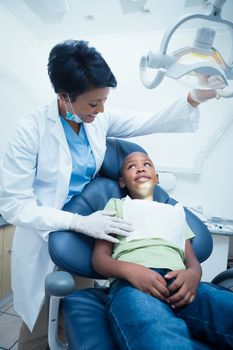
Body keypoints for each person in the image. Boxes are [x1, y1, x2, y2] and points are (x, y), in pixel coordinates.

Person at [0, 39, 221, 350]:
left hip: (91, 228)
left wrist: (194, 98)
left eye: (104, 100)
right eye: (93, 104)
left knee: (71, 311)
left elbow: (147, 121)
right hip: (47, 232)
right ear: (64, 96)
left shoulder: (97, 117)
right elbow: (14, 205)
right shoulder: (29, 132)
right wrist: (78, 222)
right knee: (38, 322)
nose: (101, 110)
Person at [92, 151, 233, 350]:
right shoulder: (117, 205)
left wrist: (193, 274)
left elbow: (191, 259)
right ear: (122, 182)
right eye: (131, 166)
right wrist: (132, 271)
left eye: (146, 164)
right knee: (159, 336)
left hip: (182, 287)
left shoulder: (175, 212)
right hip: (134, 286)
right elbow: (99, 258)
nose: (140, 168)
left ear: (157, 177)